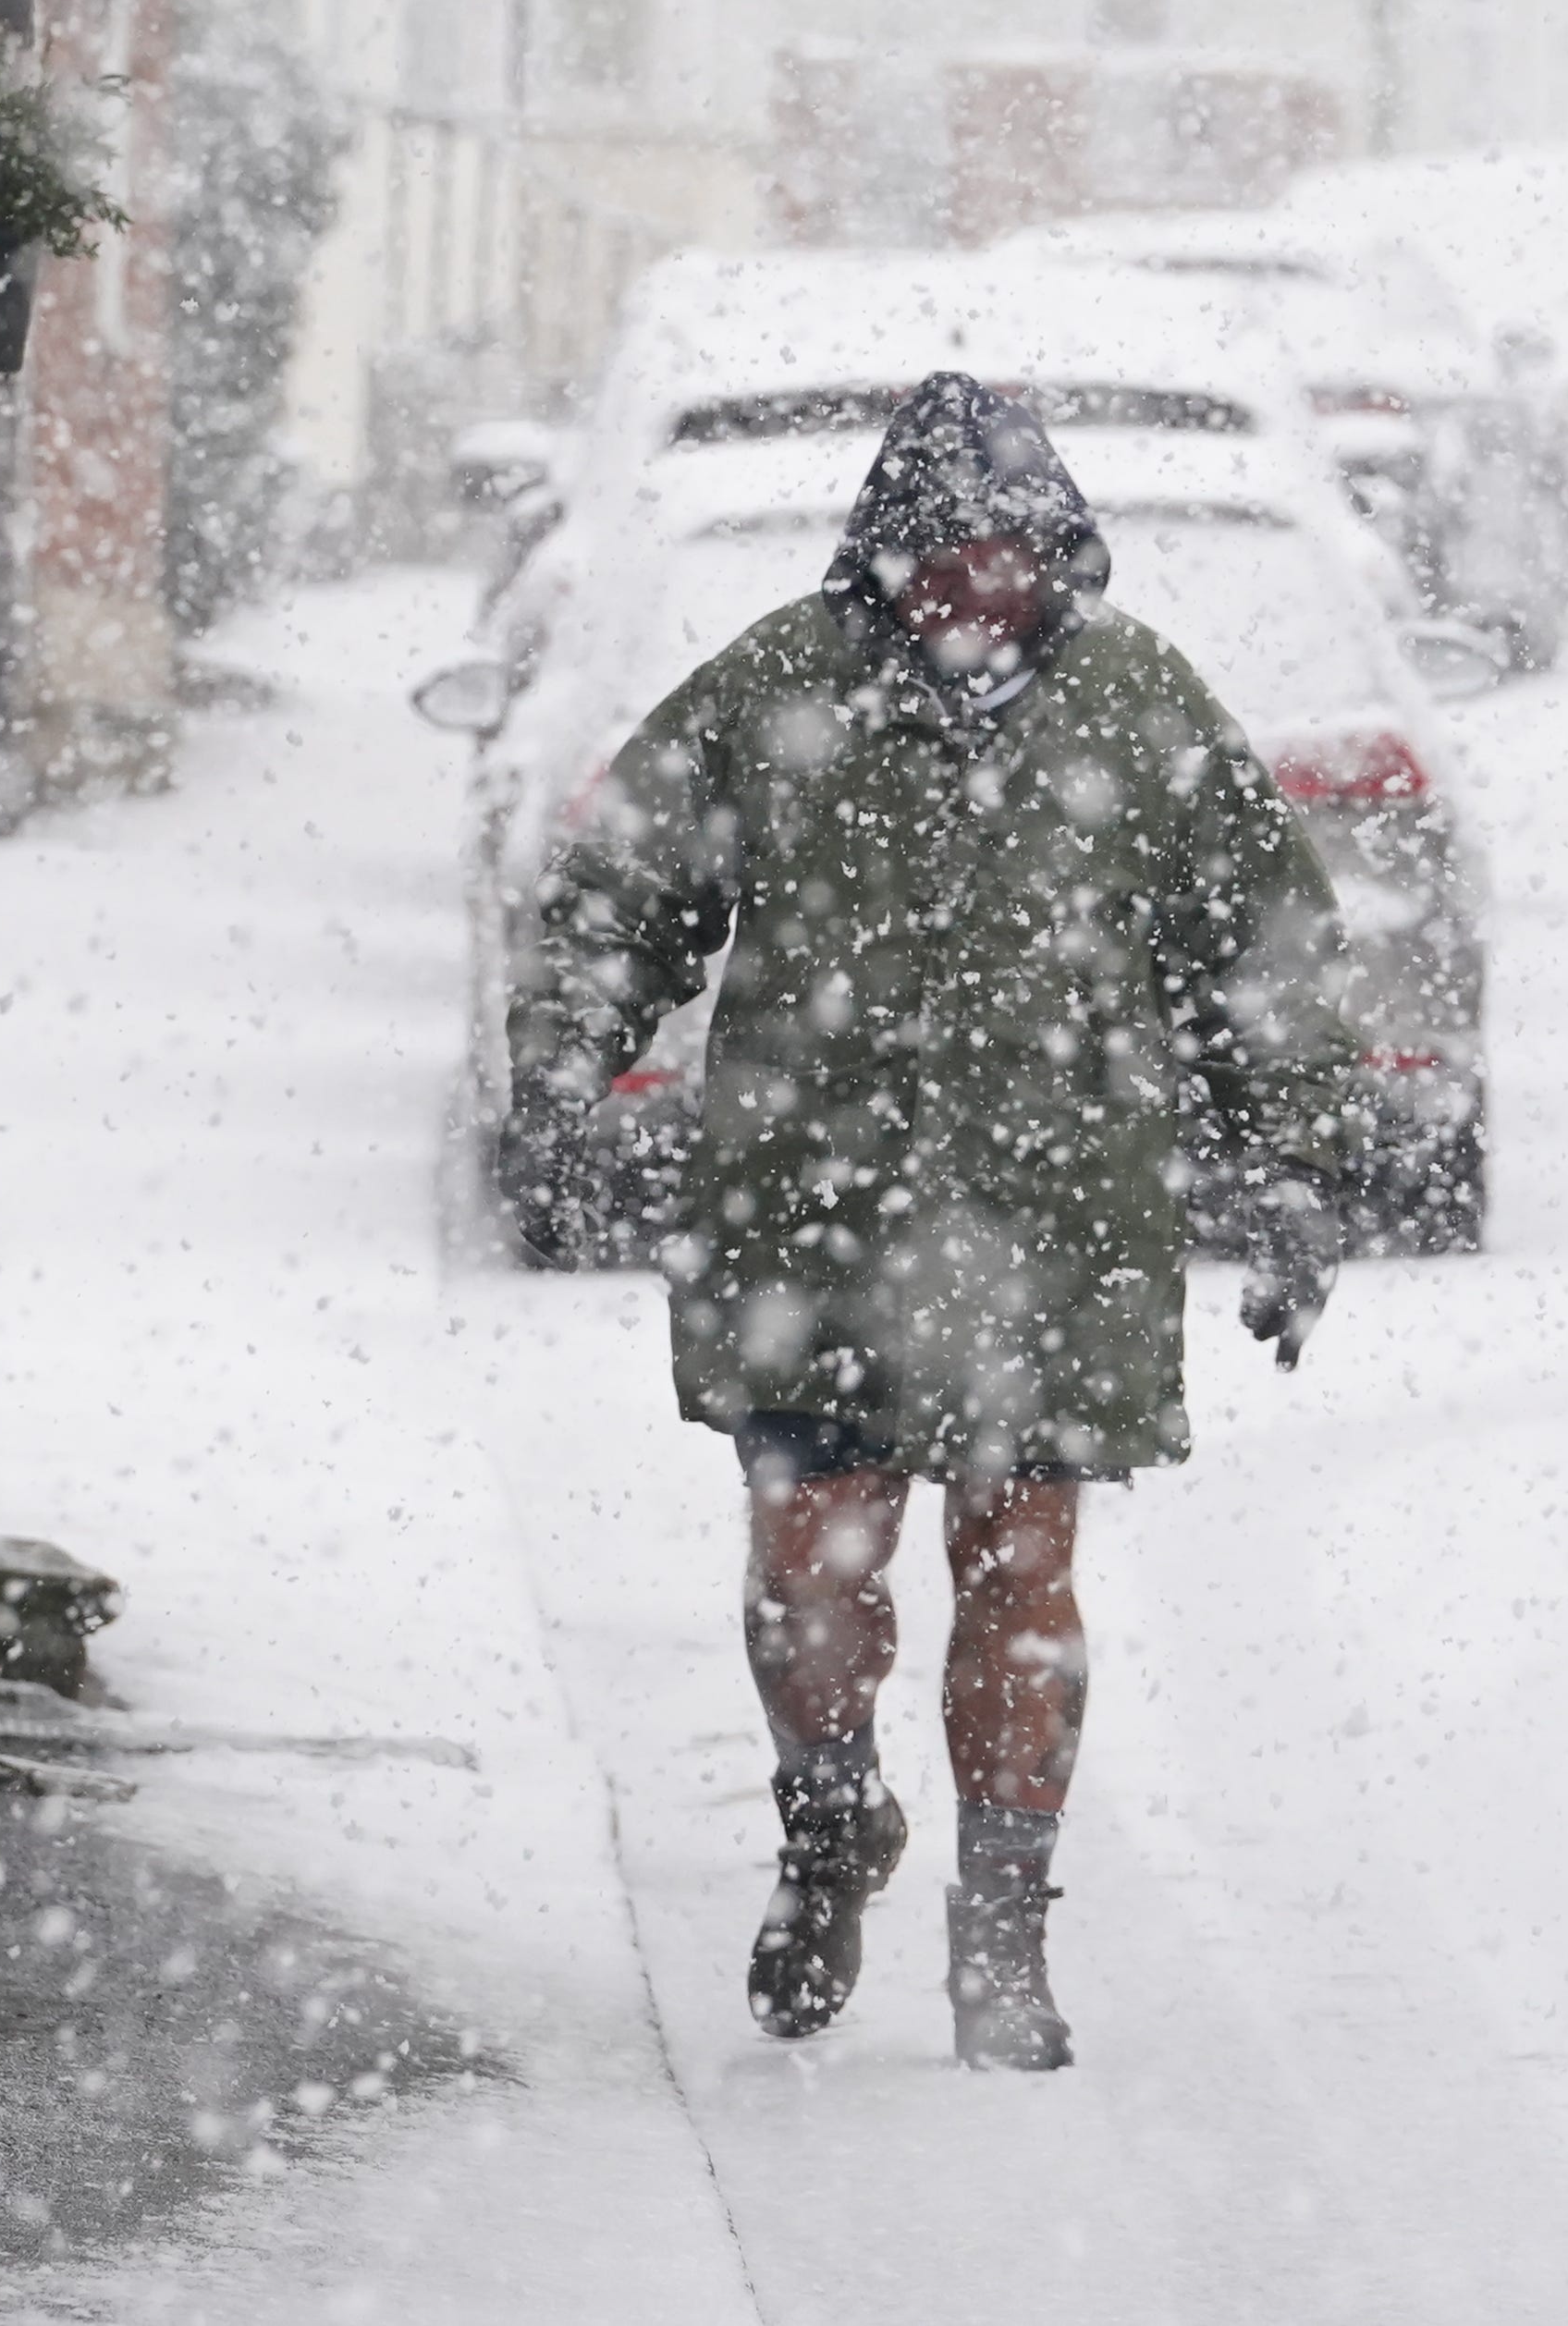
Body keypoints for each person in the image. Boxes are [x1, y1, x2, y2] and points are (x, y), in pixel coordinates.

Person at [508, 371, 1355, 2071]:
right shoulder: (781, 684)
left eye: (1012, 549)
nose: (980, 582)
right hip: (811, 1215)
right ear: (883, 557)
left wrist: (1295, 1166)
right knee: (811, 1557)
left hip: (1061, 1227)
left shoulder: (1135, 705)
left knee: (1019, 1571)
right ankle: (827, 1824)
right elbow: (623, 880)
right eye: (946, 550)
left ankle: (1003, 1928)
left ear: (1062, 553)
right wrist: (562, 1059)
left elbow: (1262, 942)